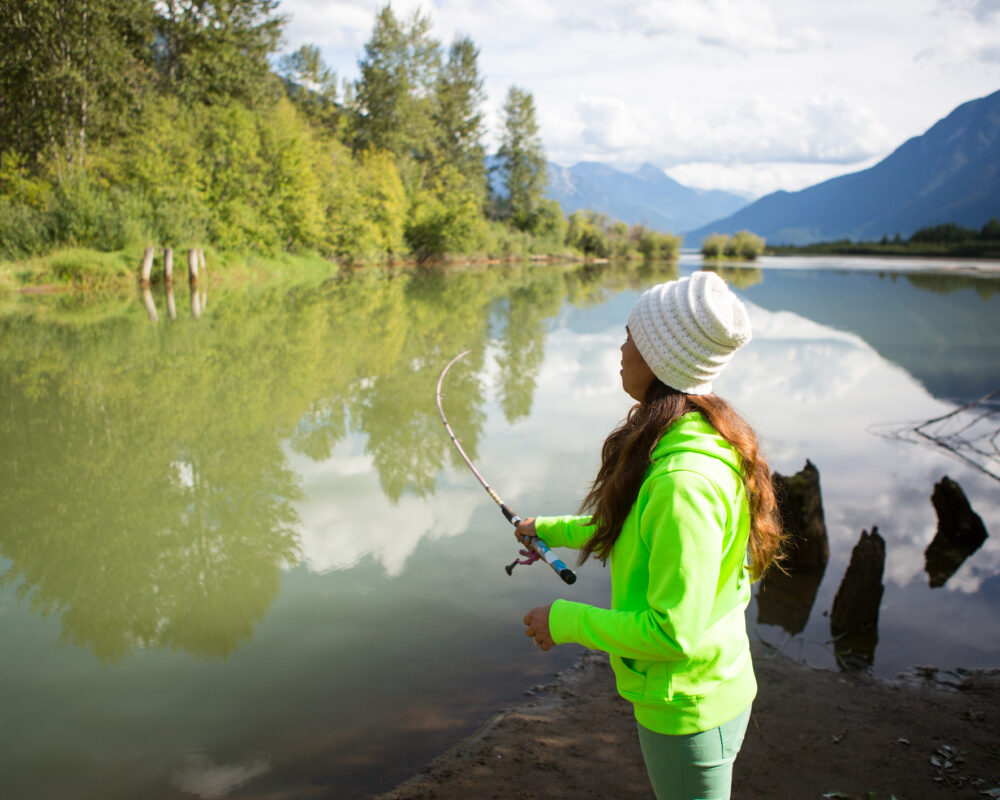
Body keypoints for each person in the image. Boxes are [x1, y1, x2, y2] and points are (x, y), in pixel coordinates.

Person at [517, 271, 783, 800]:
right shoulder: (695, 436)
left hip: (689, 708)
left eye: (631, 336)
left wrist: (565, 620)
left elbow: (671, 633)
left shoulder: (682, 481)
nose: (621, 348)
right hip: (707, 687)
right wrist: (545, 529)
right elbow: (640, 529)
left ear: (662, 356)